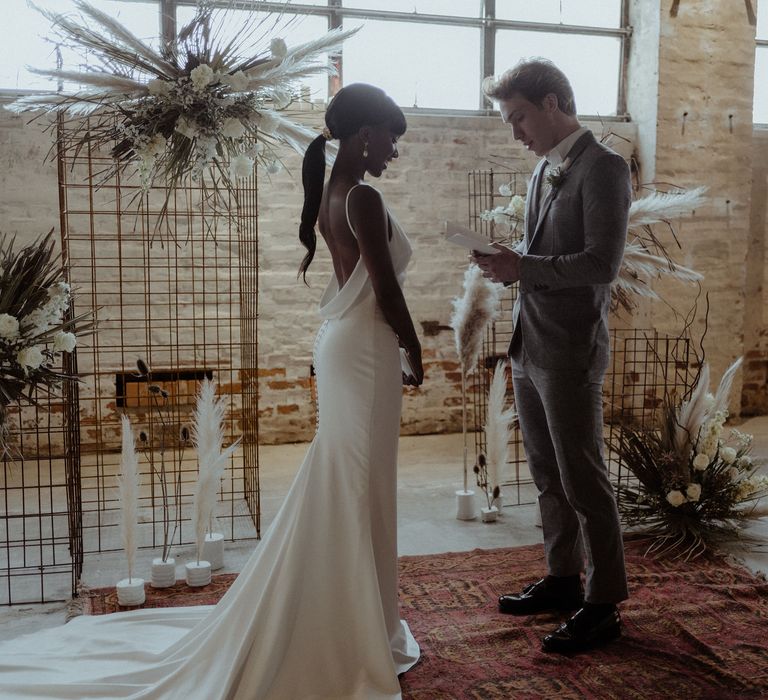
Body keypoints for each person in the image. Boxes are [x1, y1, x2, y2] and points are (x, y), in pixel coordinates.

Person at [0, 83, 422, 699]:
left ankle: (363, 618)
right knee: (361, 487)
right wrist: (416, 347)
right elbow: (385, 287)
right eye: (391, 137)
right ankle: (354, 628)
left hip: (345, 343)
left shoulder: (339, 190)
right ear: (364, 134)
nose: (394, 150)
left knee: (352, 484)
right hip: (366, 347)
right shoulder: (362, 194)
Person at [472, 58, 631, 654]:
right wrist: (510, 259)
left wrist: (526, 267)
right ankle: (564, 580)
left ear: (553, 102)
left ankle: (605, 603)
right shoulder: (544, 170)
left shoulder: (605, 168)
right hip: (527, 344)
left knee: (583, 478)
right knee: (545, 476)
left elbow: (601, 264)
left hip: (569, 349)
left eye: (518, 117)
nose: (515, 131)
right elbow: (546, 254)